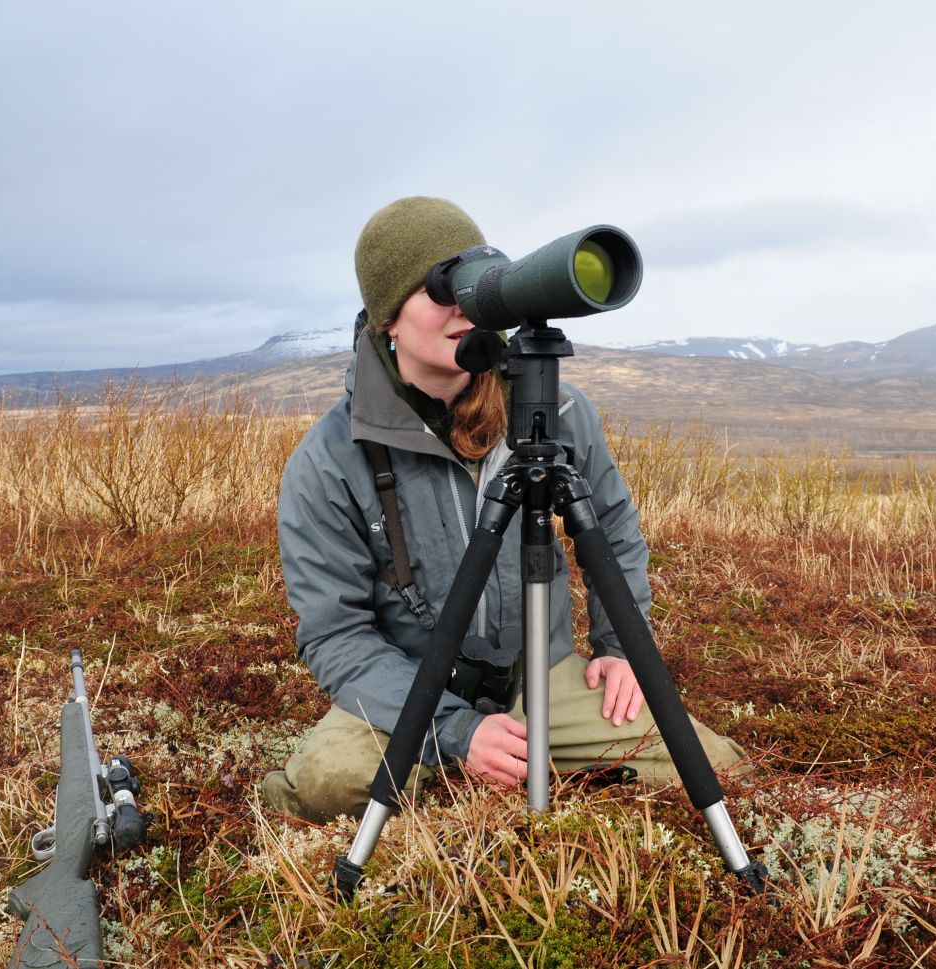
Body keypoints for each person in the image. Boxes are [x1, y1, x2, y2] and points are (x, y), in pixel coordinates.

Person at [260, 197, 746, 824]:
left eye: (472, 284)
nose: (462, 306)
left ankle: (506, 759)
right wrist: (459, 732)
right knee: (325, 788)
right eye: (440, 289)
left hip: (541, 677)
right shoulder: (331, 456)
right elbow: (336, 634)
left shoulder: (557, 414)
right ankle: (467, 760)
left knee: (712, 765)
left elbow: (616, 534)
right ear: (387, 319)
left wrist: (620, 647)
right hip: (412, 690)